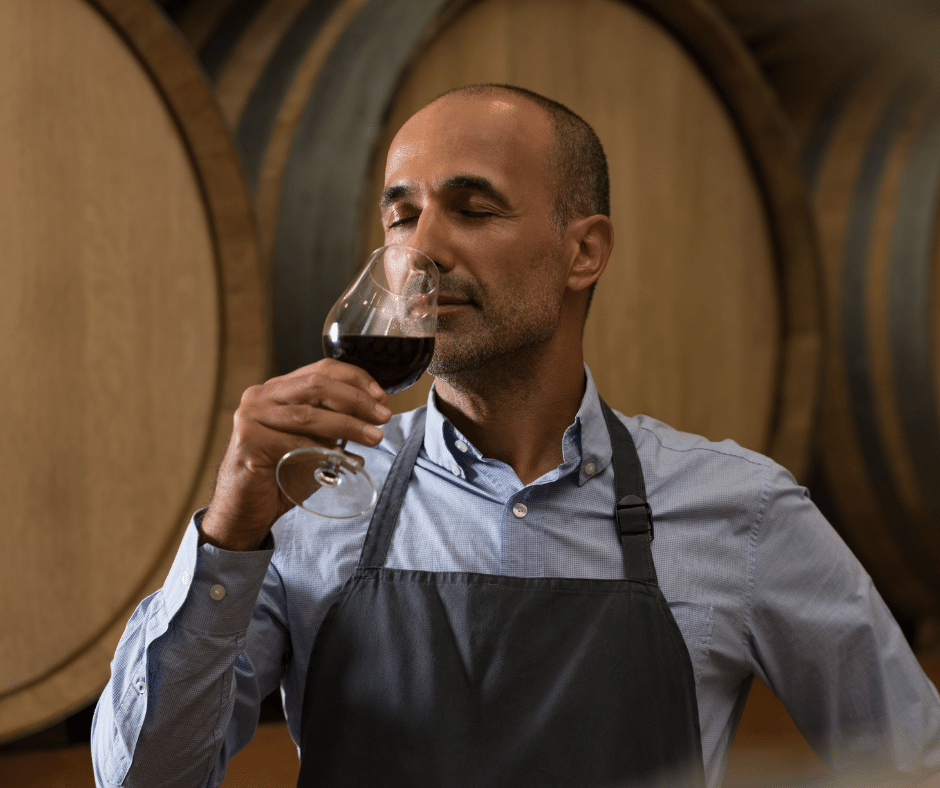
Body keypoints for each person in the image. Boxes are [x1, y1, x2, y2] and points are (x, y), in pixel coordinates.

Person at [92, 84, 940, 788]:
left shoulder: (742, 512)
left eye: (471, 208)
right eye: (401, 217)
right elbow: (142, 781)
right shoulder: (308, 504)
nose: (422, 249)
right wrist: (229, 531)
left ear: (584, 252)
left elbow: (914, 762)